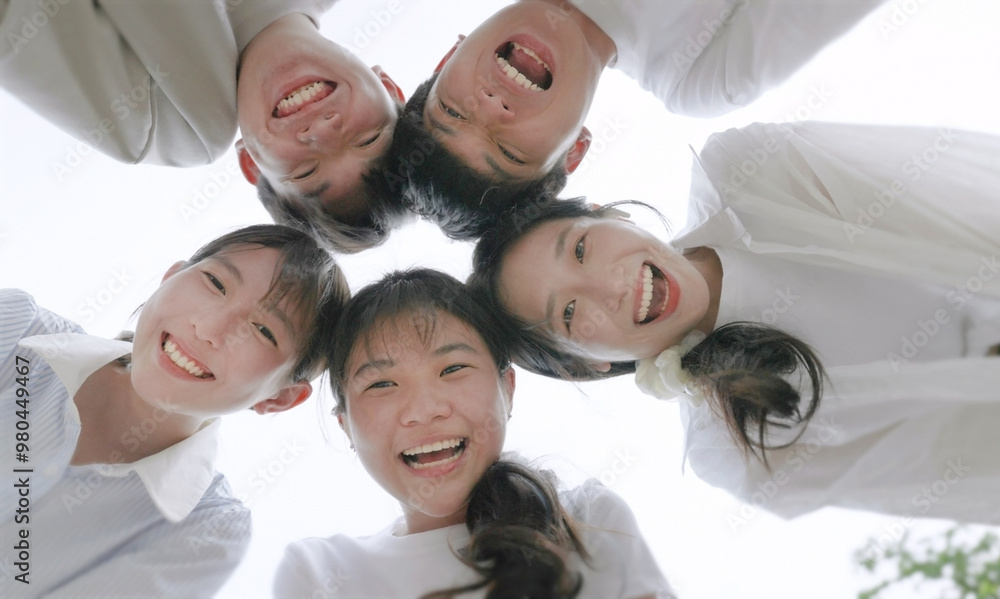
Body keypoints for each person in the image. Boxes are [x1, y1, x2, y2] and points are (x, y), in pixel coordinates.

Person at [468, 121, 1000, 525]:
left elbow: (967, 188)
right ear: (588, 364)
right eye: (569, 313)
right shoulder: (730, 450)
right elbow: (952, 475)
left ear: (612, 215)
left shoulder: (752, 174)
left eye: (581, 247)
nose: (611, 286)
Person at [273, 269, 672, 598]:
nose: (425, 410)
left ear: (508, 390)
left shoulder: (587, 520)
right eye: (381, 385)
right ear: (346, 425)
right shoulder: (320, 574)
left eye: (452, 369)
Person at [0, 224, 350, 598]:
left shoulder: (206, 531)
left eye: (263, 330)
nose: (209, 329)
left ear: (280, 397)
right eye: (215, 283)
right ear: (169, 278)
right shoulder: (18, 328)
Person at [388, 0, 886, 239]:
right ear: (575, 150)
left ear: (445, 59)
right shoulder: (696, 75)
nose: (493, 107)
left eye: (452, 112)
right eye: (509, 150)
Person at [0, 0, 409, 252]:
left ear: (251, 163)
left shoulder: (174, 122)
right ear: (390, 88)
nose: (321, 133)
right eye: (367, 138)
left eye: (306, 170)